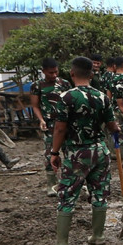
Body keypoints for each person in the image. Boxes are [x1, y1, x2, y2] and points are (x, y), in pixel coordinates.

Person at [50, 56, 120, 245]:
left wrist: (54, 152)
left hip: (77, 153)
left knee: (67, 195)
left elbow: (60, 130)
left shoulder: (66, 97)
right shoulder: (102, 97)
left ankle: (62, 243)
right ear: (91, 74)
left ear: (72, 73)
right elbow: (112, 126)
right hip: (100, 151)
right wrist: (117, 131)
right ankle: (98, 236)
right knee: (99, 192)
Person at [31, 57, 71, 197]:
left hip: (65, 124)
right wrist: (41, 119)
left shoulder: (64, 84)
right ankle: (52, 183)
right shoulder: (37, 85)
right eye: (50, 73)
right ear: (43, 72)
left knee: (69, 153)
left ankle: (69, 181)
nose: (54, 75)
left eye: (56, 72)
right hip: (49, 126)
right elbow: (35, 106)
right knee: (50, 153)